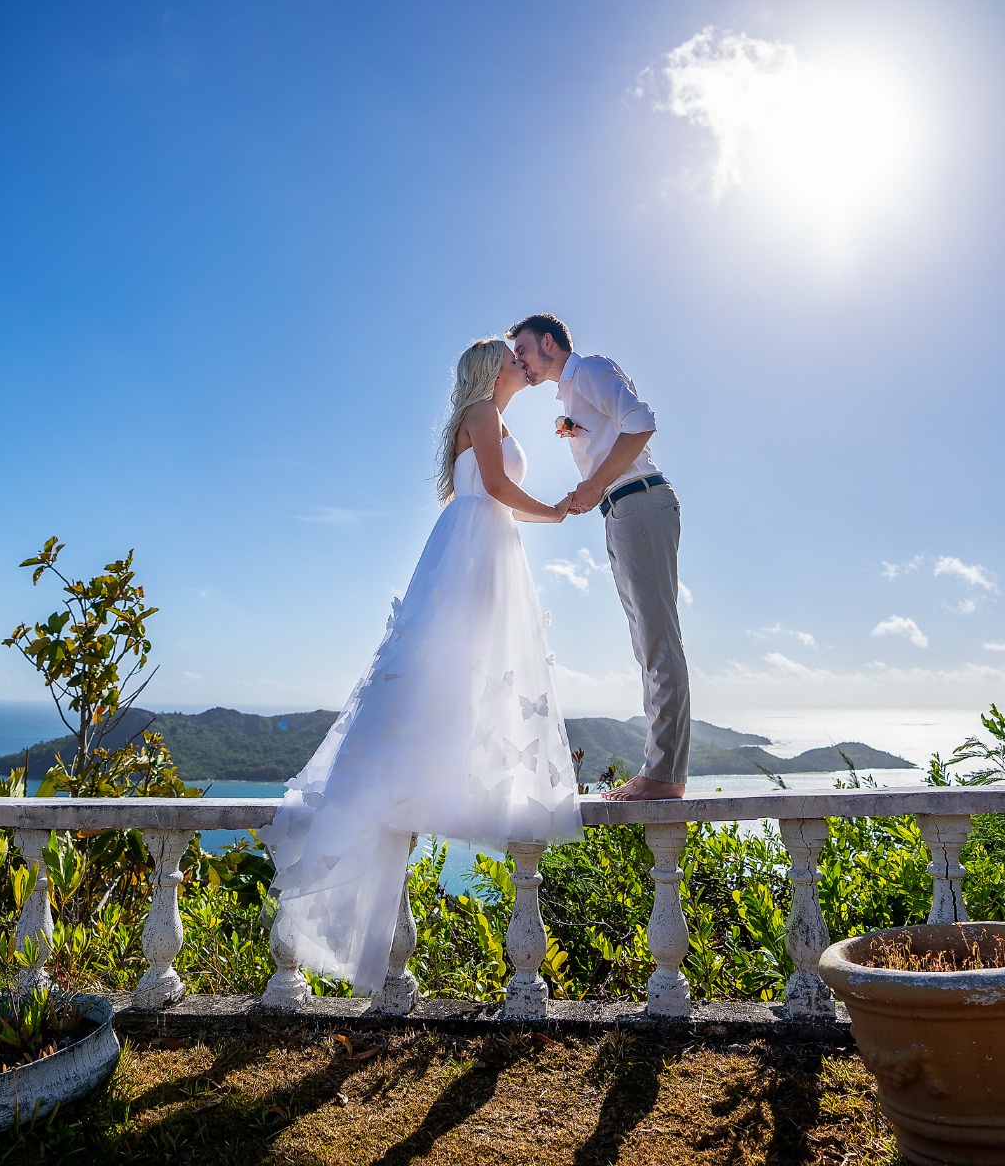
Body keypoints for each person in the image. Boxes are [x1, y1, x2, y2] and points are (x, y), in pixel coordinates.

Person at [266, 337, 583, 996]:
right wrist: (554, 511)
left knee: (469, 666)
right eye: (511, 357)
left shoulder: (490, 417)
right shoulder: (482, 414)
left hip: (484, 544)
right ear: (491, 370)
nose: (520, 363)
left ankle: (456, 768)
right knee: (450, 662)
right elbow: (496, 486)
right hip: (477, 543)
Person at [508, 313, 689, 802]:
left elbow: (641, 422)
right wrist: (593, 488)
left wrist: (593, 484)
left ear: (549, 342)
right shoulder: (570, 393)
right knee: (647, 643)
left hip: (638, 499)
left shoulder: (588, 369)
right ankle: (662, 769)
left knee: (657, 640)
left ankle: (664, 775)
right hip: (622, 509)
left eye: (523, 349)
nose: (519, 361)